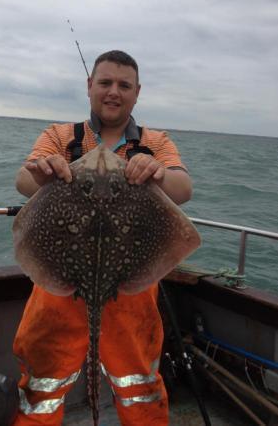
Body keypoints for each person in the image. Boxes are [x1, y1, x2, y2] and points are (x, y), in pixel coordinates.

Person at [12, 50, 192, 426]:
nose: (114, 91)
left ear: (137, 92)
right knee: (43, 384)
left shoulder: (154, 141)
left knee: (139, 384)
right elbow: (23, 181)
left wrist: (158, 173)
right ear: (89, 86)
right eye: (105, 82)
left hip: (131, 289)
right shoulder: (60, 136)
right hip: (58, 287)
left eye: (124, 85)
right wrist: (43, 172)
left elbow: (183, 187)